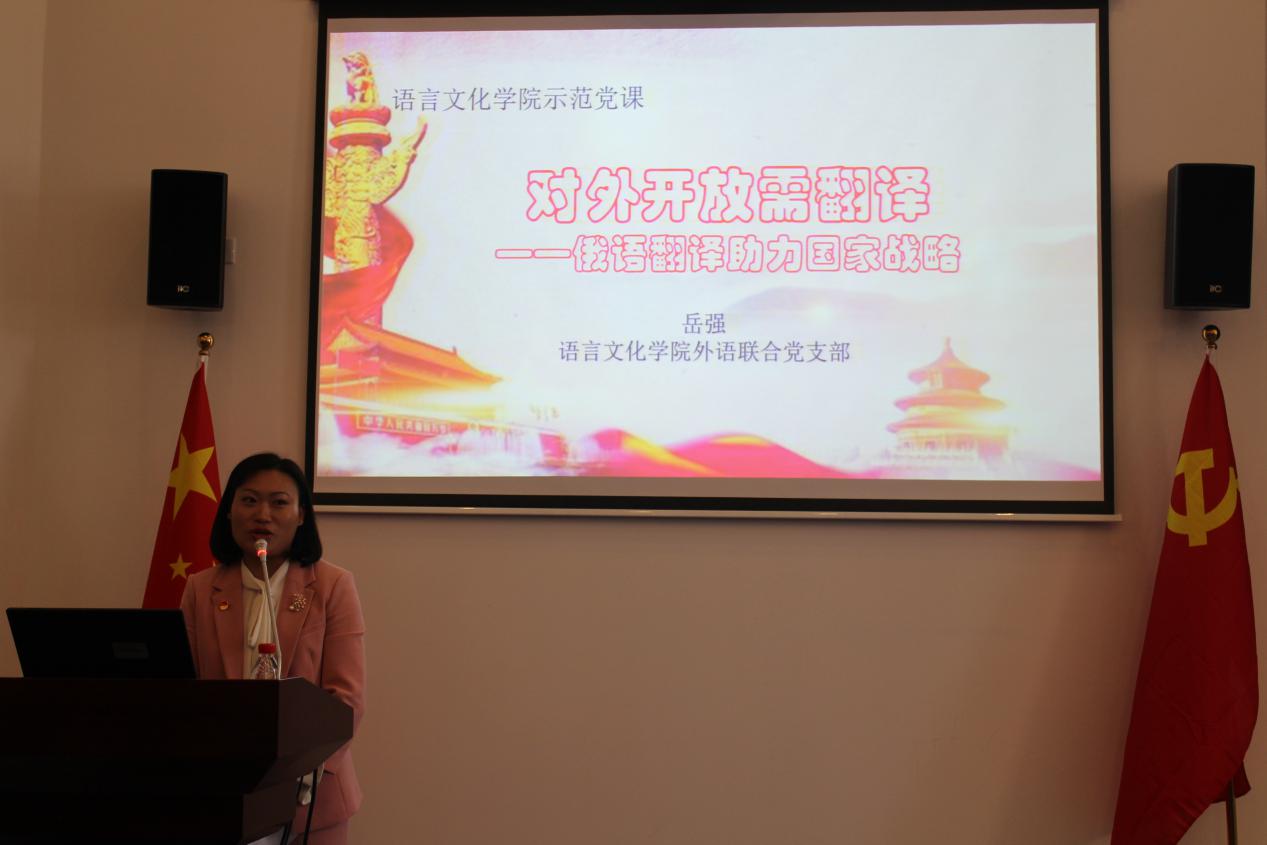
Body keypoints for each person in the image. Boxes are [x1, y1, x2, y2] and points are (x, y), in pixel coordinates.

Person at [180, 453, 365, 845]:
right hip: (223, 794)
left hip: (310, 798)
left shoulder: (332, 585)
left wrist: (294, 768)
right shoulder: (201, 588)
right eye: (249, 500)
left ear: (301, 516)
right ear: (229, 511)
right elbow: (185, 689)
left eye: (279, 503)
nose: (262, 515)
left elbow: (345, 701)